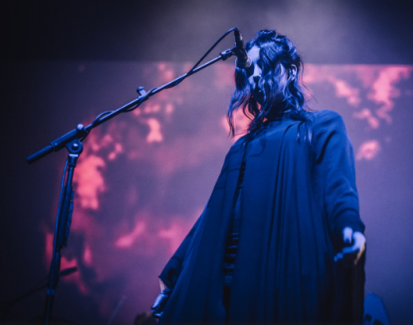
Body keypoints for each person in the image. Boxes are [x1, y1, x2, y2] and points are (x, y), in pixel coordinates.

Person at [151, 29, 366, 324]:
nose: (253, 78)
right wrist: (175, 271)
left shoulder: (322, 126)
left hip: (280, 269)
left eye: (261, 66)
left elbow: (339, 187)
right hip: (224, 276)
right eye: (248, 70)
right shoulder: (242, 146)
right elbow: (212, 215)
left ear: (289, 71)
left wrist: (350, 228)